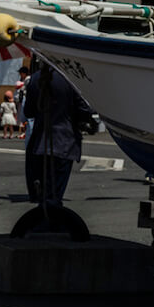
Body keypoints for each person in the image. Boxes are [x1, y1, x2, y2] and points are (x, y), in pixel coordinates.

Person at [23, 61, 94, 207]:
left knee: (42, 197)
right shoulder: (70, 79)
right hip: (63, 144)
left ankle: (43, 223)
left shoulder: (35, 79)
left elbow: (28, 112)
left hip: (39, 145)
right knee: (54, 196)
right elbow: (84, 110)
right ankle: (50, 224)